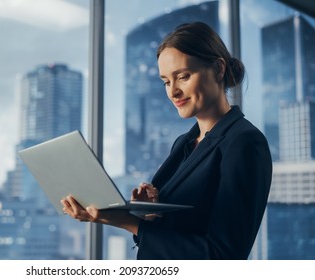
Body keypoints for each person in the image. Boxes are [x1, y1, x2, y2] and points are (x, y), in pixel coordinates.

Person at [61, 21, 272, 260]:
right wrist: (151, 212)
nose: (173, 92)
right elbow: (185, 225)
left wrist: (130, 224)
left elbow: (224, 255)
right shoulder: (184, 143)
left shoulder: (244, 142)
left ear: (219, 69)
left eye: (183, 76)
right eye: (166, 81)